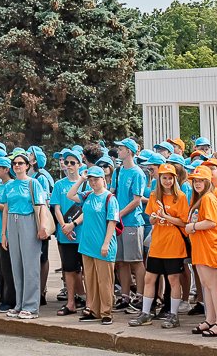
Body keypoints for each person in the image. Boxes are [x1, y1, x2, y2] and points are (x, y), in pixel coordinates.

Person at [131, 163, 189, 329]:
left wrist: (166, 216)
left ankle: (173, 314)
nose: (167, 181)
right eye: (164, 177)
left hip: (174, 244)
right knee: (150, 278)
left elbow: (184, 222)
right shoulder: (154, 196)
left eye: (170, 178)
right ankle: (146, 312)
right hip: (157, 243)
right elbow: (150, 218)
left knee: (173, 279)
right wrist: (155, 219)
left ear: (174, 179)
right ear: (160, 179)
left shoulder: (181, 197)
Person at [1, 151, 46, 319]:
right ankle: (19, 303)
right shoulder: (9, 185)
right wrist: (3, 233)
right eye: (15, 163)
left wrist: (41, 227)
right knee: (16, 265)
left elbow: (40, 206)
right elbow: (5, 208)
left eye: (20, 163)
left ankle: (31, 306)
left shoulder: (33, 183)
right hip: (13, 222)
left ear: (27, 166)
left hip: (28, 221)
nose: (17, 166)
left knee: (30, 265)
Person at [73, 165, 119, 325]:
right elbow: (70, 195)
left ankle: (106, 312)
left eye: (96, 179)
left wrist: (106, 244)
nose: (93, 182)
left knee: (104, 281)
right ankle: (93, 309)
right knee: (90, 280)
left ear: (103, 179)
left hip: (103, 245)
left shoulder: (109, 198)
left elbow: (112, 223)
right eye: (91, 180)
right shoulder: (88, 195)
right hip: (87, 245)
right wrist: (81, 179)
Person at [186, 165, 217, 337]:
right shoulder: (201, 198)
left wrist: (192, 226)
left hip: (209, 245)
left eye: (201, 180)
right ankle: (210, 319)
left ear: (208, 181)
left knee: (212, 285)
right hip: (201, 246)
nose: (197, 183)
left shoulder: (209, 198)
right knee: (206, 285)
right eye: (195, 181)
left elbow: (211, 222)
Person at [112, 139, 147, 315]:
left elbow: (136, 200)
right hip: (118, 222)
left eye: (121, 149)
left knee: (136, 260)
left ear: (129, 151)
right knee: (122, 261)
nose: (118, 151)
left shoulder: (138, 173)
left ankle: (140, 296)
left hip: (132, 222)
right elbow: (112, 193)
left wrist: (119, 214)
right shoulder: (117, 171)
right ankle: (125, 296)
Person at [52, 151, 82, 318]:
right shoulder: (59, 185)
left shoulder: (85, 183)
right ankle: (71, 302)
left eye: (72, 162)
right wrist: (64, 226)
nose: (69, 165)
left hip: (82, 233)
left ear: (79, 164)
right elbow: (56, 207)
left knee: (85, 270)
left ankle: (88, 301)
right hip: (65, 234)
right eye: (67, 162)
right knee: (69, 269)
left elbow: (86, 208)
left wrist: (73, 225)